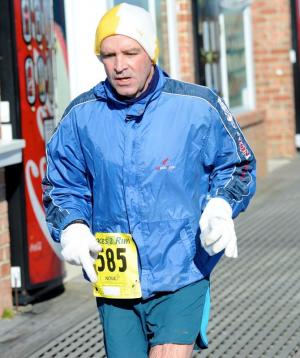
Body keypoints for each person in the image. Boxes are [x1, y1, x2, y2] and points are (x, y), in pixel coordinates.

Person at [42, 3, 256, 357]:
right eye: (108, 55)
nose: (120, 65)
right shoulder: (81, 116)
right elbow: (61, 185)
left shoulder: (198, 106)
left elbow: (238, 165)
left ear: (151, 53)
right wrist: (72, 227)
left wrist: (220, 205)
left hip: (182, 268)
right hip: (115, 282)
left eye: (130, 52)